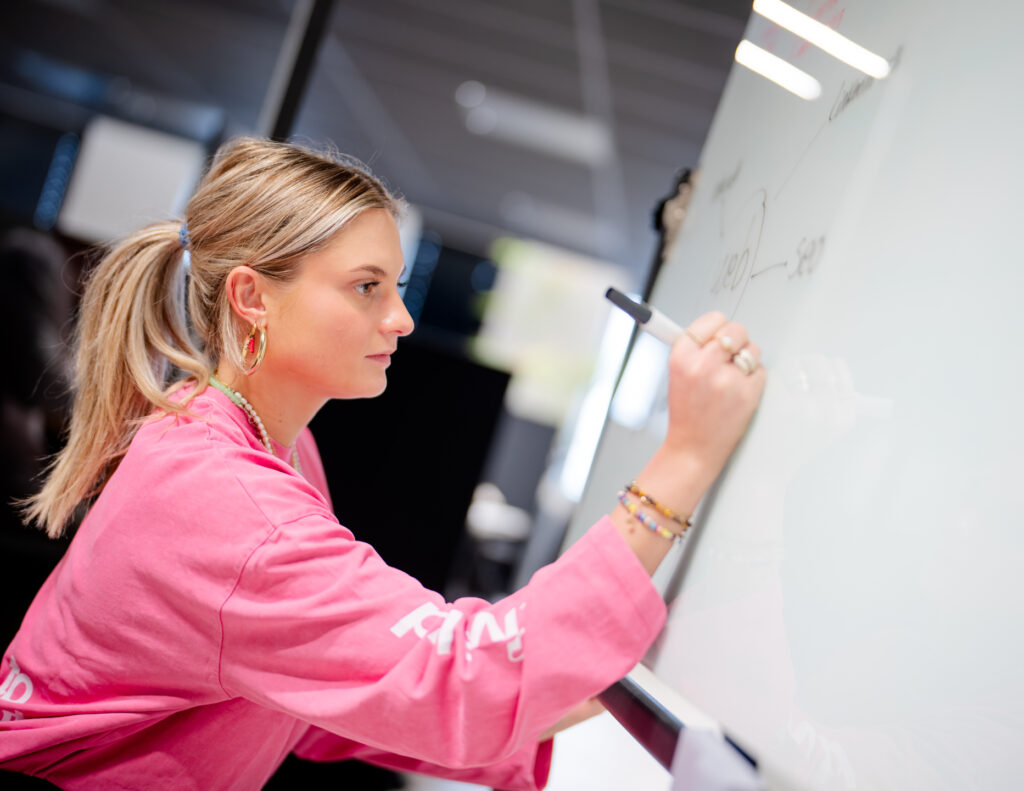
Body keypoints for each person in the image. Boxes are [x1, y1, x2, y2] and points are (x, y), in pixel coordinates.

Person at [0, 138, 765, 790]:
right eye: (366, 288)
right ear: (252, 298)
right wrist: (689, 454)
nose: (399, 318)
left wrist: (575, 671)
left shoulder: (262, 443)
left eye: (394, 287)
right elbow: (456, 677)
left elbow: (332, 690)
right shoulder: (229, 501)